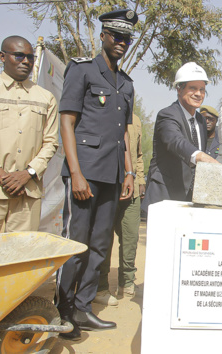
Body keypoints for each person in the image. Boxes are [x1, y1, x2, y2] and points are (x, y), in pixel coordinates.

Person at [55, 9, 138, 340]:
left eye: (127, 38)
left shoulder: (127, 83)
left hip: (113, 174)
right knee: (76, 243)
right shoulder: (82, 71)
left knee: (100, 245)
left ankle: (84, 307)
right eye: (116, 36)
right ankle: (63, 311)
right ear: (103, 36)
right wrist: (75, 173)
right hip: (85, 173)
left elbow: (125, 133)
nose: (121, 43)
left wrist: (129, 171)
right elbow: (67, 122)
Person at [0, 36, 59, 234]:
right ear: (3, 56)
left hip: (27, 193)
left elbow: (51, 143)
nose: (26, 61)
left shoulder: (45, 98)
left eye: (30, 57)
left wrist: (26, 174)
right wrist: (1, 175)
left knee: (21, 258)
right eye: (19, 56)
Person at [145, 62, 219, 205]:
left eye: (202, 89)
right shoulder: (167, 115)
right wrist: (200, 156)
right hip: (165, 195)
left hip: (191, 198)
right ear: (179, 89)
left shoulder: (201, 121)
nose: (198, 94)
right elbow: (175, 141)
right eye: (192, 88)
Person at [96, 113, 146, 306]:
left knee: (130, 236)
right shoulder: (102, 114)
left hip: (131, 190)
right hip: (108, 188)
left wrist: (140, 179)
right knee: (104, 239)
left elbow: (138, 155)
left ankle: (127, 283)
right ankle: (100, 286)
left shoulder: (136, 119)